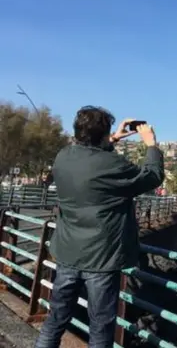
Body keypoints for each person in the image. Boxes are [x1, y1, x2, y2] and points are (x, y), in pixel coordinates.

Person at [35, 106, 165, 348]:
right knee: (101, 329)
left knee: (54, 321)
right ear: (102, 134)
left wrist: (112, 138)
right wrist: (151, 145)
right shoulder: (114, 165)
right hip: (102, 259)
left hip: (68, 253)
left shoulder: (63, 156)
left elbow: (90, 159)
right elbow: (152, 177)